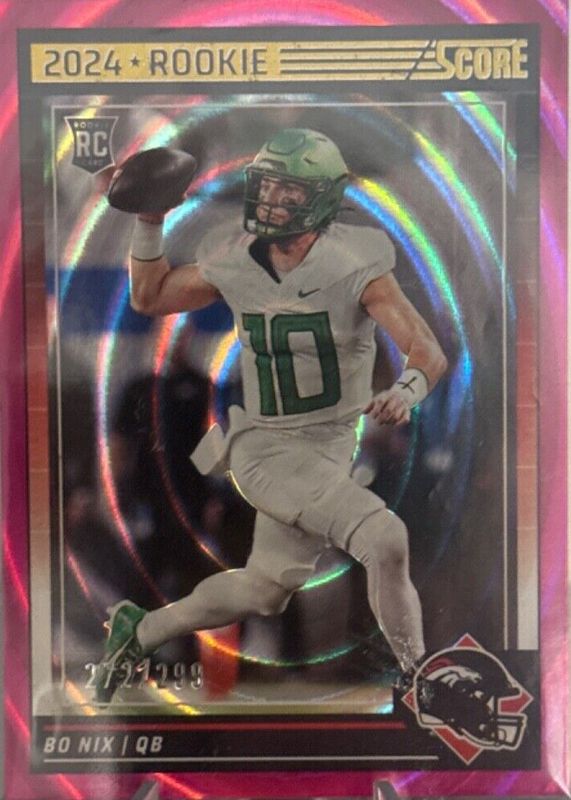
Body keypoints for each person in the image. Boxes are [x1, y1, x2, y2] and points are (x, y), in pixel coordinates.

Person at [94, 128, 448, 704]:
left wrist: (407, 391)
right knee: (385, 537)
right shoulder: (236, 259)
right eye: (267, 187)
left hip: (330, 448)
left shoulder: (356, 262)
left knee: (264, 591)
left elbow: (426, 350)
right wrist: (150, 221)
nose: (272, 201)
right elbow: (150, 297)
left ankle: (143, 629)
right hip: (266, 447)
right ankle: (420, 682)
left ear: (322, 199)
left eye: (289, 192)